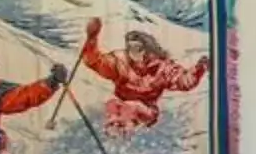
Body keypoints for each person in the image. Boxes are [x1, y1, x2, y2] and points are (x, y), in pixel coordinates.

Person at [78, 18, 208, 134]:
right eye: (130, 48)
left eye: (137, 48)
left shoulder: (162, 68)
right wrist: (92, 39)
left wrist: (198, 69)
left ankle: (125, 131)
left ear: (148, 49)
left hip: (146, 110)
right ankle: (112, 132)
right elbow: (96, 62)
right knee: (112, 105)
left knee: (133, 107)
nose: (133, 52)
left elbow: (183, 81)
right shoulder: (121, 61)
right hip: (121, 105)